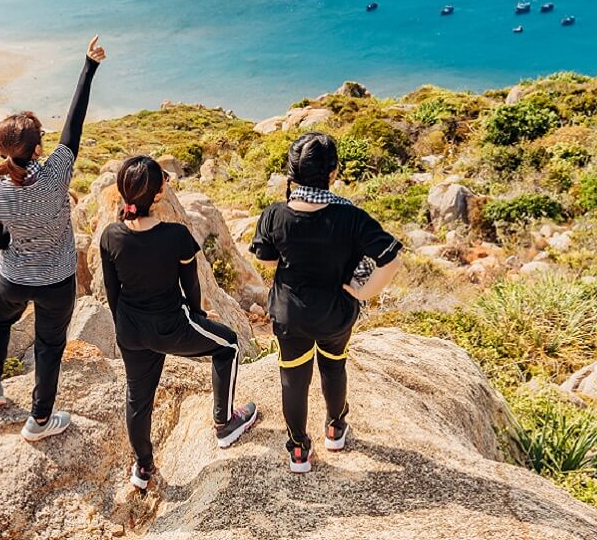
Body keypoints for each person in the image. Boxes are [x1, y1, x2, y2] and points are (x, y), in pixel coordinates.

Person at [0, 36, 107, 443]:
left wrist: (18, 237)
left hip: (12, 277)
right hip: (57, 280)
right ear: (39, 148)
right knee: (49, 347)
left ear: (1, 149)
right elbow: (74, 125)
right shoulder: (57, 173)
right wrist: (88, 66)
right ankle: (40, 421)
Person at [99, 155, 258, 490]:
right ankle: (226, 423)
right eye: (164, 182)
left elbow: (112, 292)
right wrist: (199, 316)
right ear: (158, 195)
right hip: (171, 326)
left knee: (138, 399)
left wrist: (126, 327)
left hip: (130, 329)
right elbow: (191, 286)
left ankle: (142, 468)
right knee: (227, 344)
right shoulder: (175, 236)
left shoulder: (111, 236)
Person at [250, 132, 403, 473]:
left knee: (293, 379)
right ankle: (335, 428)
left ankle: (299, 450)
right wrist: (362, 291)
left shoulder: (275, 215)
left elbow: (267, 260)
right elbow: (391, 260)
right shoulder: (352, 218)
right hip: (336, 313)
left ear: (292, 172)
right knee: (334, 366)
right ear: (333, 172)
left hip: (290, 316)